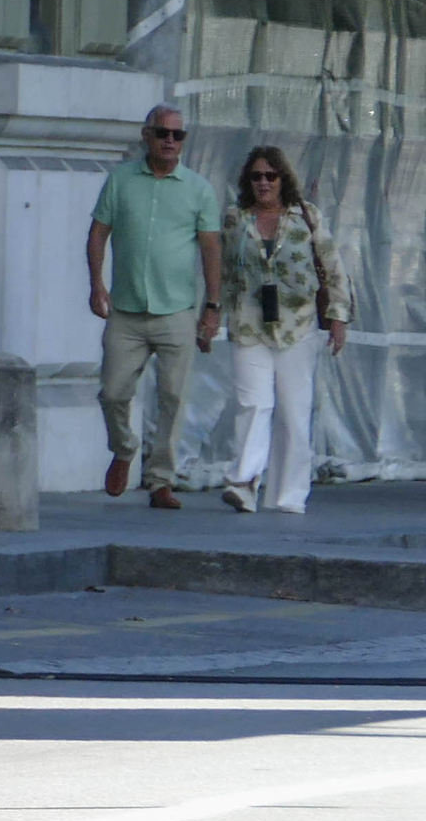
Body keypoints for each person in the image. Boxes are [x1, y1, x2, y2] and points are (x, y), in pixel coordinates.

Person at [86, 103, 224, 509]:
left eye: (177, 135)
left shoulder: (198, 188)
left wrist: (212, 307)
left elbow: (211, 249)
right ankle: (124, 449)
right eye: (162, 133)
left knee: (173, 397)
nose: (169, 141)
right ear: (146, 136)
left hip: (177, 310)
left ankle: (161, 479)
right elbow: (97, 234)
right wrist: (96, 285)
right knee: (112, 392)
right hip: (126, 309)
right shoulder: (121, 181)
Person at [216, 146, 349, 514]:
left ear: (282, 179)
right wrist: (211, 313)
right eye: (256, 176)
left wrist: (338, 317)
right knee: (254, 403)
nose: (263, 183)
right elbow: (223, 274)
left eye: (270, 176)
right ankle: (243, 482)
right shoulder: (234, 220)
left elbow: (333, 268)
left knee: (293, 413)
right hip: (248, 323)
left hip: (298, 326)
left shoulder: (306, 217)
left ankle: (287, 496)